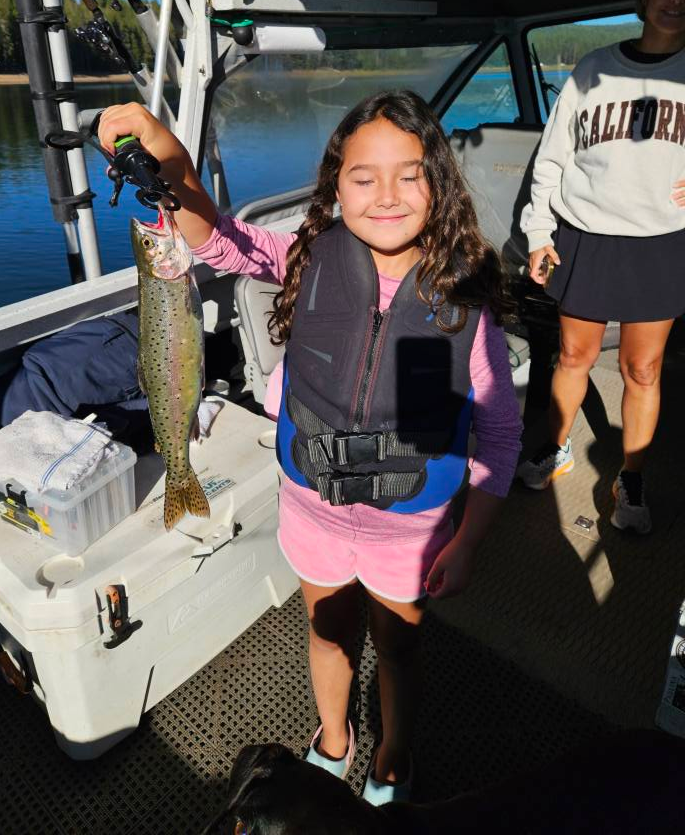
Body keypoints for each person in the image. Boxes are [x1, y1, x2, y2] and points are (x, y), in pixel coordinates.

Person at [98, 90, 522, 805]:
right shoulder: (306, 256)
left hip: (410, 527)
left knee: (398, 649)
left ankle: (393, 756)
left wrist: (470, 539)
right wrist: (160, 148)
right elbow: (215, 237)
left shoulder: (464, 305)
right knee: (326, 634)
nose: (385, 194)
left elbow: (502, 434)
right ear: (336, 186)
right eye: (363, 176)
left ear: (439, 185)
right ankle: (335, 740)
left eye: (409, 173)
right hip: (313, 510)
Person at [517, 0, 685, 535]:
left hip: (663, 243)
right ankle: (555, 445)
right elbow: (553, 162)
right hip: (587, 234)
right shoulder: (593, 69)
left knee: (644, 370)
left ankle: (631, 475)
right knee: (573, 355)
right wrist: (539, 232)